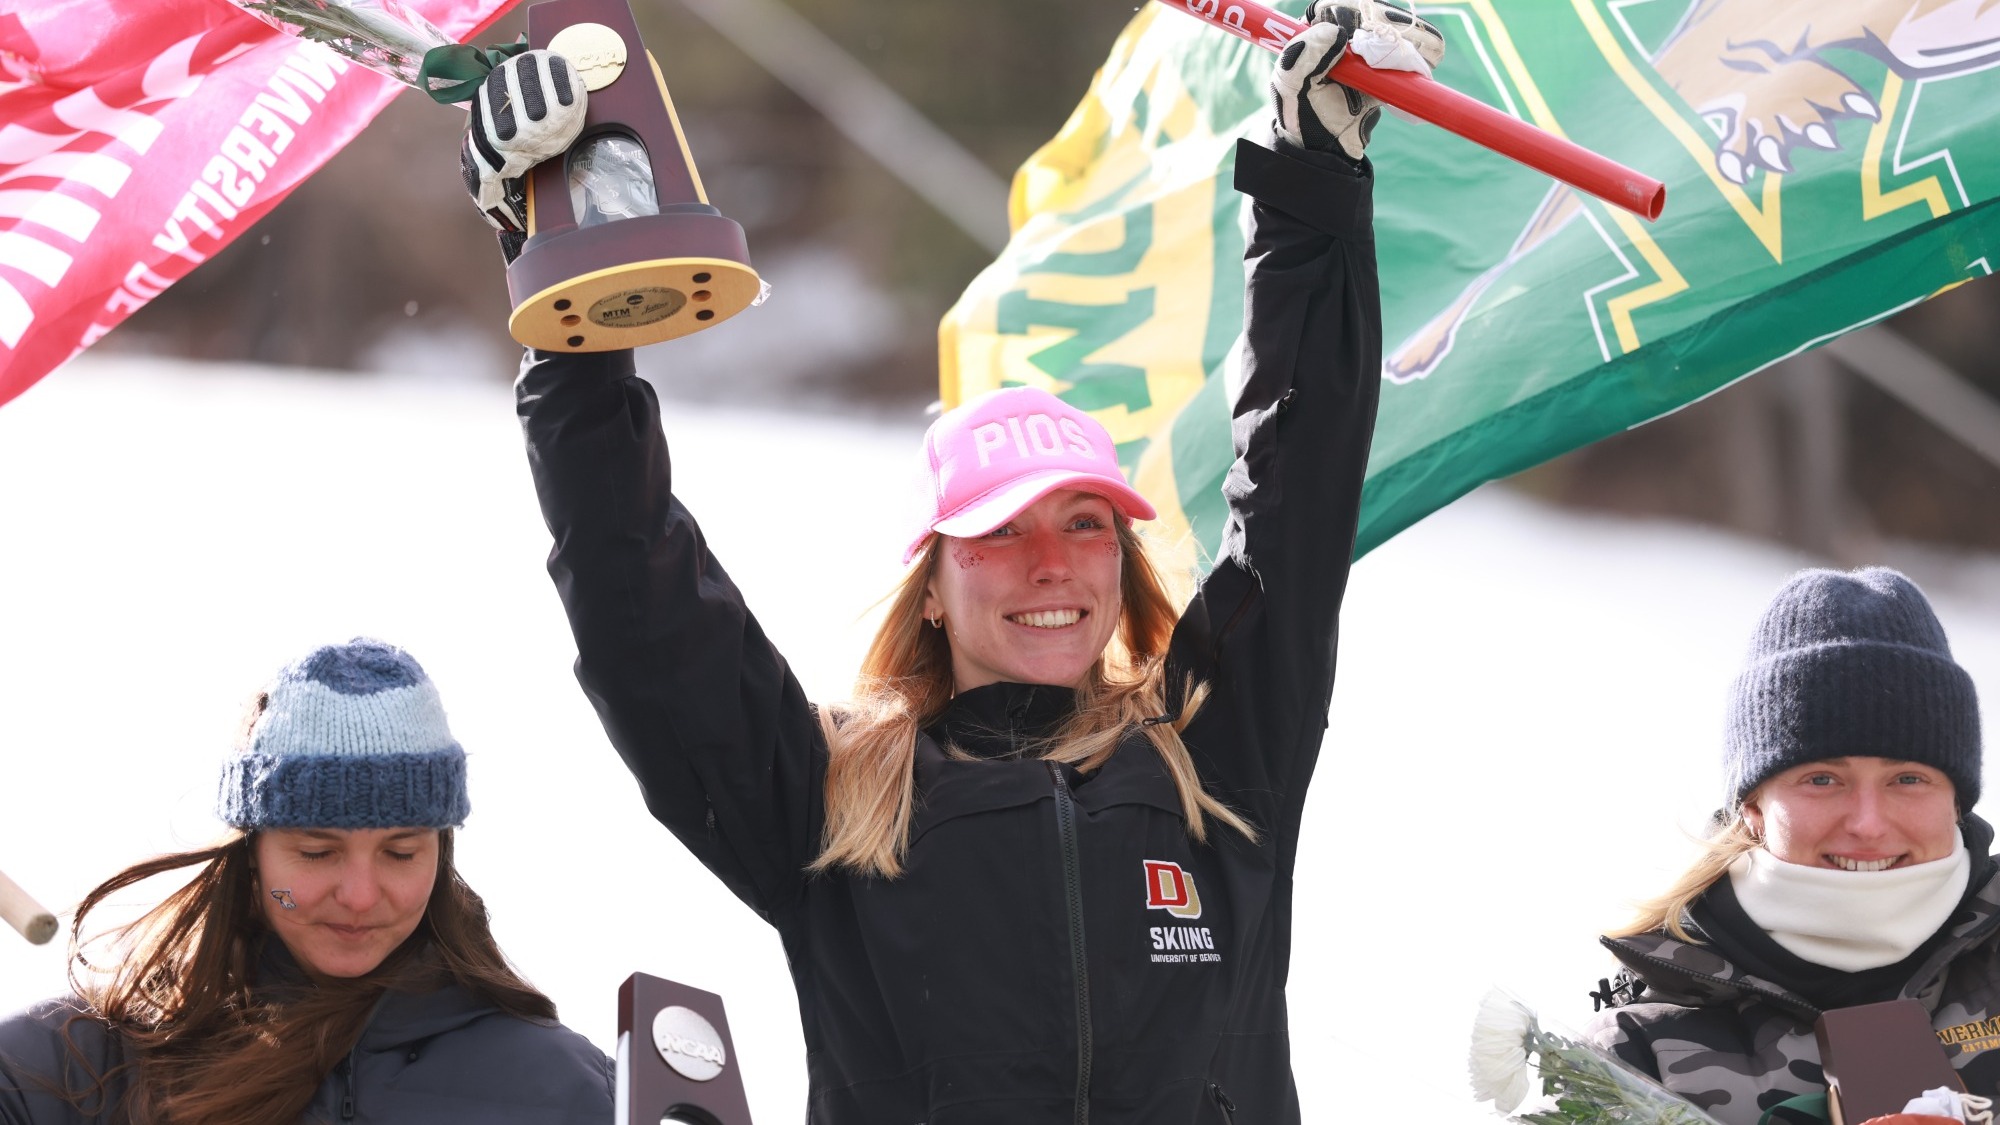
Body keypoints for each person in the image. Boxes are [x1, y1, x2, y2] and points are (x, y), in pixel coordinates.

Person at [484, 3, 1443, 1120]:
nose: (1051, 564)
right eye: (998, 531)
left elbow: (1297, 485)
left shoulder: (1211, 757)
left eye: (1085, 523)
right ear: (931, 589)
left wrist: (1312, 182)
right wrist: (564, 273)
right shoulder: (836, 799)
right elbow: (638, 604)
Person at [0, 640, 613, 1125]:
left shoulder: (572, 1089)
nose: (360, 896)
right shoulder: (78, 1068)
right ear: (251, 855)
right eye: (317, 853)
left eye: (401, 853)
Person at [1587, 567, 1993, 1125]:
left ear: (1956, 800)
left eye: (1908, 779)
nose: (1868, 824)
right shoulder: (1640, 1047)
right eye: (1822, 779)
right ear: (1752, 805)